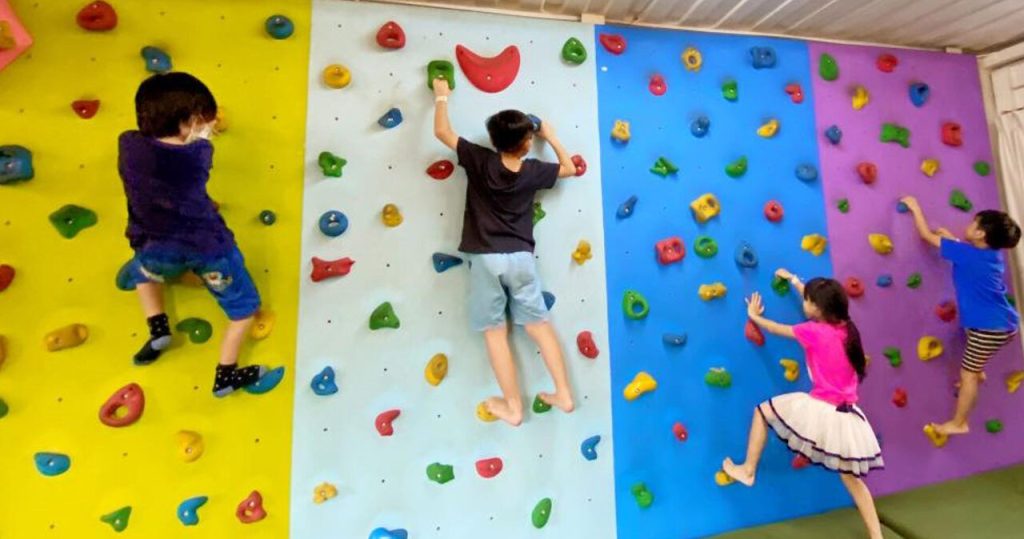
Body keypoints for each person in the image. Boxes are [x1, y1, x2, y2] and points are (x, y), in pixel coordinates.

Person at [431, 77, 576, 426]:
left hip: (486, 258)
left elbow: (442, 133)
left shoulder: (479, 160)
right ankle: (564, 393)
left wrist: (441, 97)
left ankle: (513, 406)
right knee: (539, 325)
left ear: (494, 141)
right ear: (527, 143)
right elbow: (570, 169)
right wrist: (551, 136)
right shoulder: (532, 171)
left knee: (495, 332)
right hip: (521, 258)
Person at [118, 72, 267, 397]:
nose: (207, 130)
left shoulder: (128, 147)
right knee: (243, 310)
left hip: (153, 245)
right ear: (188, 123)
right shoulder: (199, 154)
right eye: (202, 123)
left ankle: (158, 326)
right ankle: (225, 375)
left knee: (144, 273)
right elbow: (192, 160)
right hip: (206, 249)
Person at [723, 272, 884, 539]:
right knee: (852, 479)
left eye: (807, 300)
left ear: (817, 308)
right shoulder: (848, 329)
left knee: (763, 411)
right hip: (847, 416)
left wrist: (754, 316)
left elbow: (777, 329)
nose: (804, 304)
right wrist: (796, 282)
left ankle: (748, 469)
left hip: (821, 409)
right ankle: (876, 536)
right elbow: (817, 305)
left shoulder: (813, 331)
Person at [900, 197, 1021, 437]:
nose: (968, 225)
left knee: (967, 375)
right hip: (1001, 324)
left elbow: (926, 235)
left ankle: (959, 422)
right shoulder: (993, 256)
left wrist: (915, 207)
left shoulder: (965, 253)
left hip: (989, 327)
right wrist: (952, 241)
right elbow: (967, 256)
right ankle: (977, 369)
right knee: (971, 340)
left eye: (973, 223)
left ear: (980, 234)